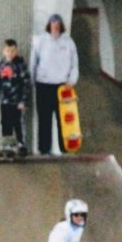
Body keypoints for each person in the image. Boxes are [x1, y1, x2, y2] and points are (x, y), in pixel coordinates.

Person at [31, 14, 79, 156]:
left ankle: (64, 148)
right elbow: (33, 62)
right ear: (49, 25)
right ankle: (44, 149)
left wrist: (72, 80)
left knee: (63, 118)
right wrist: (33, 81)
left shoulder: (69, 42)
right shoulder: (40, 41)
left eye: (58, 23)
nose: (55, 25)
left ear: (61, 25)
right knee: (44, 118)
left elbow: (74, 64)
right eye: (53, 23)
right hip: (44, 84)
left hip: (62, 86)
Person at [0, 38, 31, 156]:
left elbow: (26, 84)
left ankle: (21, 145)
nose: (10, 53)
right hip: (5, 101)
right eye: (7, 50)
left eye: (12, 50)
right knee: (6, 123)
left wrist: (23, 101)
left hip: (17, 101)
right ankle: (8, 146)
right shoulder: (2, 65)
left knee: (18, 123)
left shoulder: (20, 65)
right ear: (3, 51)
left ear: (16, 52)